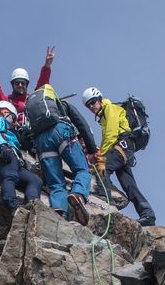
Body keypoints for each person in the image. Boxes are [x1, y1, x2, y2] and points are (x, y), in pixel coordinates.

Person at [81, 87, 156, 225]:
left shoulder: (110, 108)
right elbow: (109, 137)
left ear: (99, 99)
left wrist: (100, 156)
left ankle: (105, 204)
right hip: (123, 147)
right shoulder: (103, 116)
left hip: (123, 144)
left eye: (93, 102)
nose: (91, 107)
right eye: (88, 105)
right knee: (128, 184)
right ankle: (148, 214)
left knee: (102, 169)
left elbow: (111, 135)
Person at [26, 85, 91, 224]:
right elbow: (82, 124)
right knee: (82, 169)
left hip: (41, 142)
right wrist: (91, 149)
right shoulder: (62, 105)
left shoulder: (33, 115)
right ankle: (78, 194)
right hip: (61, 131)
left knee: (55, 183)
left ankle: (59, 211)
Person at [0, 99, 41, 212]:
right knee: (10, 176)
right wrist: (2, 145)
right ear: (2, 111)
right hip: (1, 153)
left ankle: (32, 204)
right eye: (12, 116)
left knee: (35, 180)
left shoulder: (9, 131)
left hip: (14, 159)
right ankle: (12, 205)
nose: (13, 120)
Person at [0, 46, 55, 123]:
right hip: (12, 132)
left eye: (23, 83)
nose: (20, 85)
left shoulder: (31, 99)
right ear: (13, 85)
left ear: (26, 85)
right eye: (17, 83)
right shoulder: (6, 101)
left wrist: (47, 66)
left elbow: (42, 86)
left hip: (33, 130)